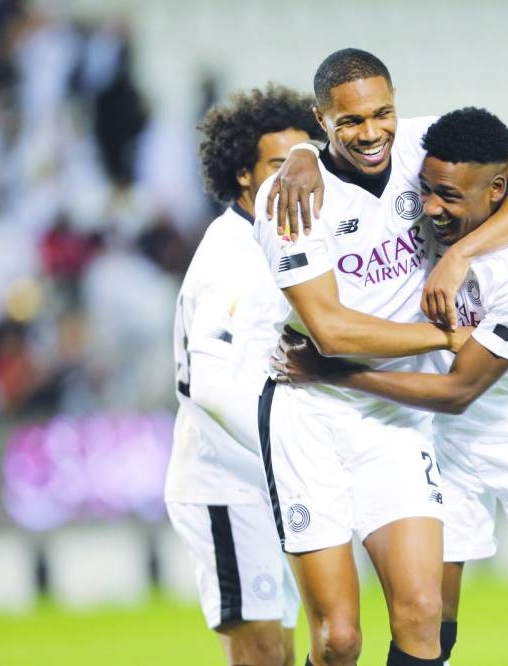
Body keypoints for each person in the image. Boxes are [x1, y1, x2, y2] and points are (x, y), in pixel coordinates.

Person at [252, 49, 508, 666]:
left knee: (423, 613)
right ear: (321, 120)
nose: (371, 133)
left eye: (383, 113)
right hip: (310, 407)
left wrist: (459, 255)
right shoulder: (290, 198)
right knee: (340, 639)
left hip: (398, 418)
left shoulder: (422, 147)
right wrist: (446, 338)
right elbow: (330, 332)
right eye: (350, 122)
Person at [164, 83, 324, 666]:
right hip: (225, 484)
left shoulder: (278, 240)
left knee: (281, 652)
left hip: (261, 484)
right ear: (243, 176)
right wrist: (282, 452)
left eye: (305, 162)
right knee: (260, 656)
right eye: (279, 165)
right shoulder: (232, 257)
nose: (296, 178)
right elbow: (208, 386)